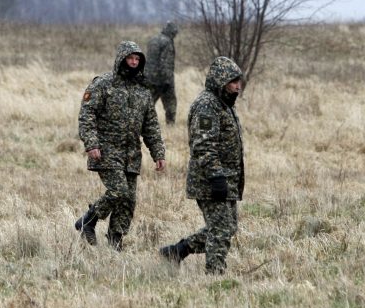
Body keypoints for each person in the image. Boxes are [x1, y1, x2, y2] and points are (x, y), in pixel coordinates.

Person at [75, 41, 166, 250]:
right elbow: (87, 115)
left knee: (128, 202)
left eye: (137, 59)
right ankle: (88, 221)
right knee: (119, 191)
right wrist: (91, 143)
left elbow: (151, 125)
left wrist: (158, 153)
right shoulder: (103, 84)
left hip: (132, 154)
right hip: (106, 150)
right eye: (130, 58)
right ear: (121, 59)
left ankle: (116, 242)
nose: (134, 63)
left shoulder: (143, 91)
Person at [160, 56, 244, 275]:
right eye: (233, 81)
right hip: (210, 181)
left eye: (239, 81)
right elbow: (203, 145)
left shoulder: (224, 104)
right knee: (220, 230)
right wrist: (216, 177)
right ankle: (215, 276)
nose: (238, 86)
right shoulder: (207, 105)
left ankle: (178, 251)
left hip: (227, 180)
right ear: (220, 81)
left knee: (227, 227)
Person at [145, 21, 179, 124]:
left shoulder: (153, 40)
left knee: (148, 103)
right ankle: (170, 124)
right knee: (170, 102)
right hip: (162, 78)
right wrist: (168, 80)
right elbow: (166, 62)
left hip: (149, 77)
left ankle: (143, 123)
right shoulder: (167, 42)